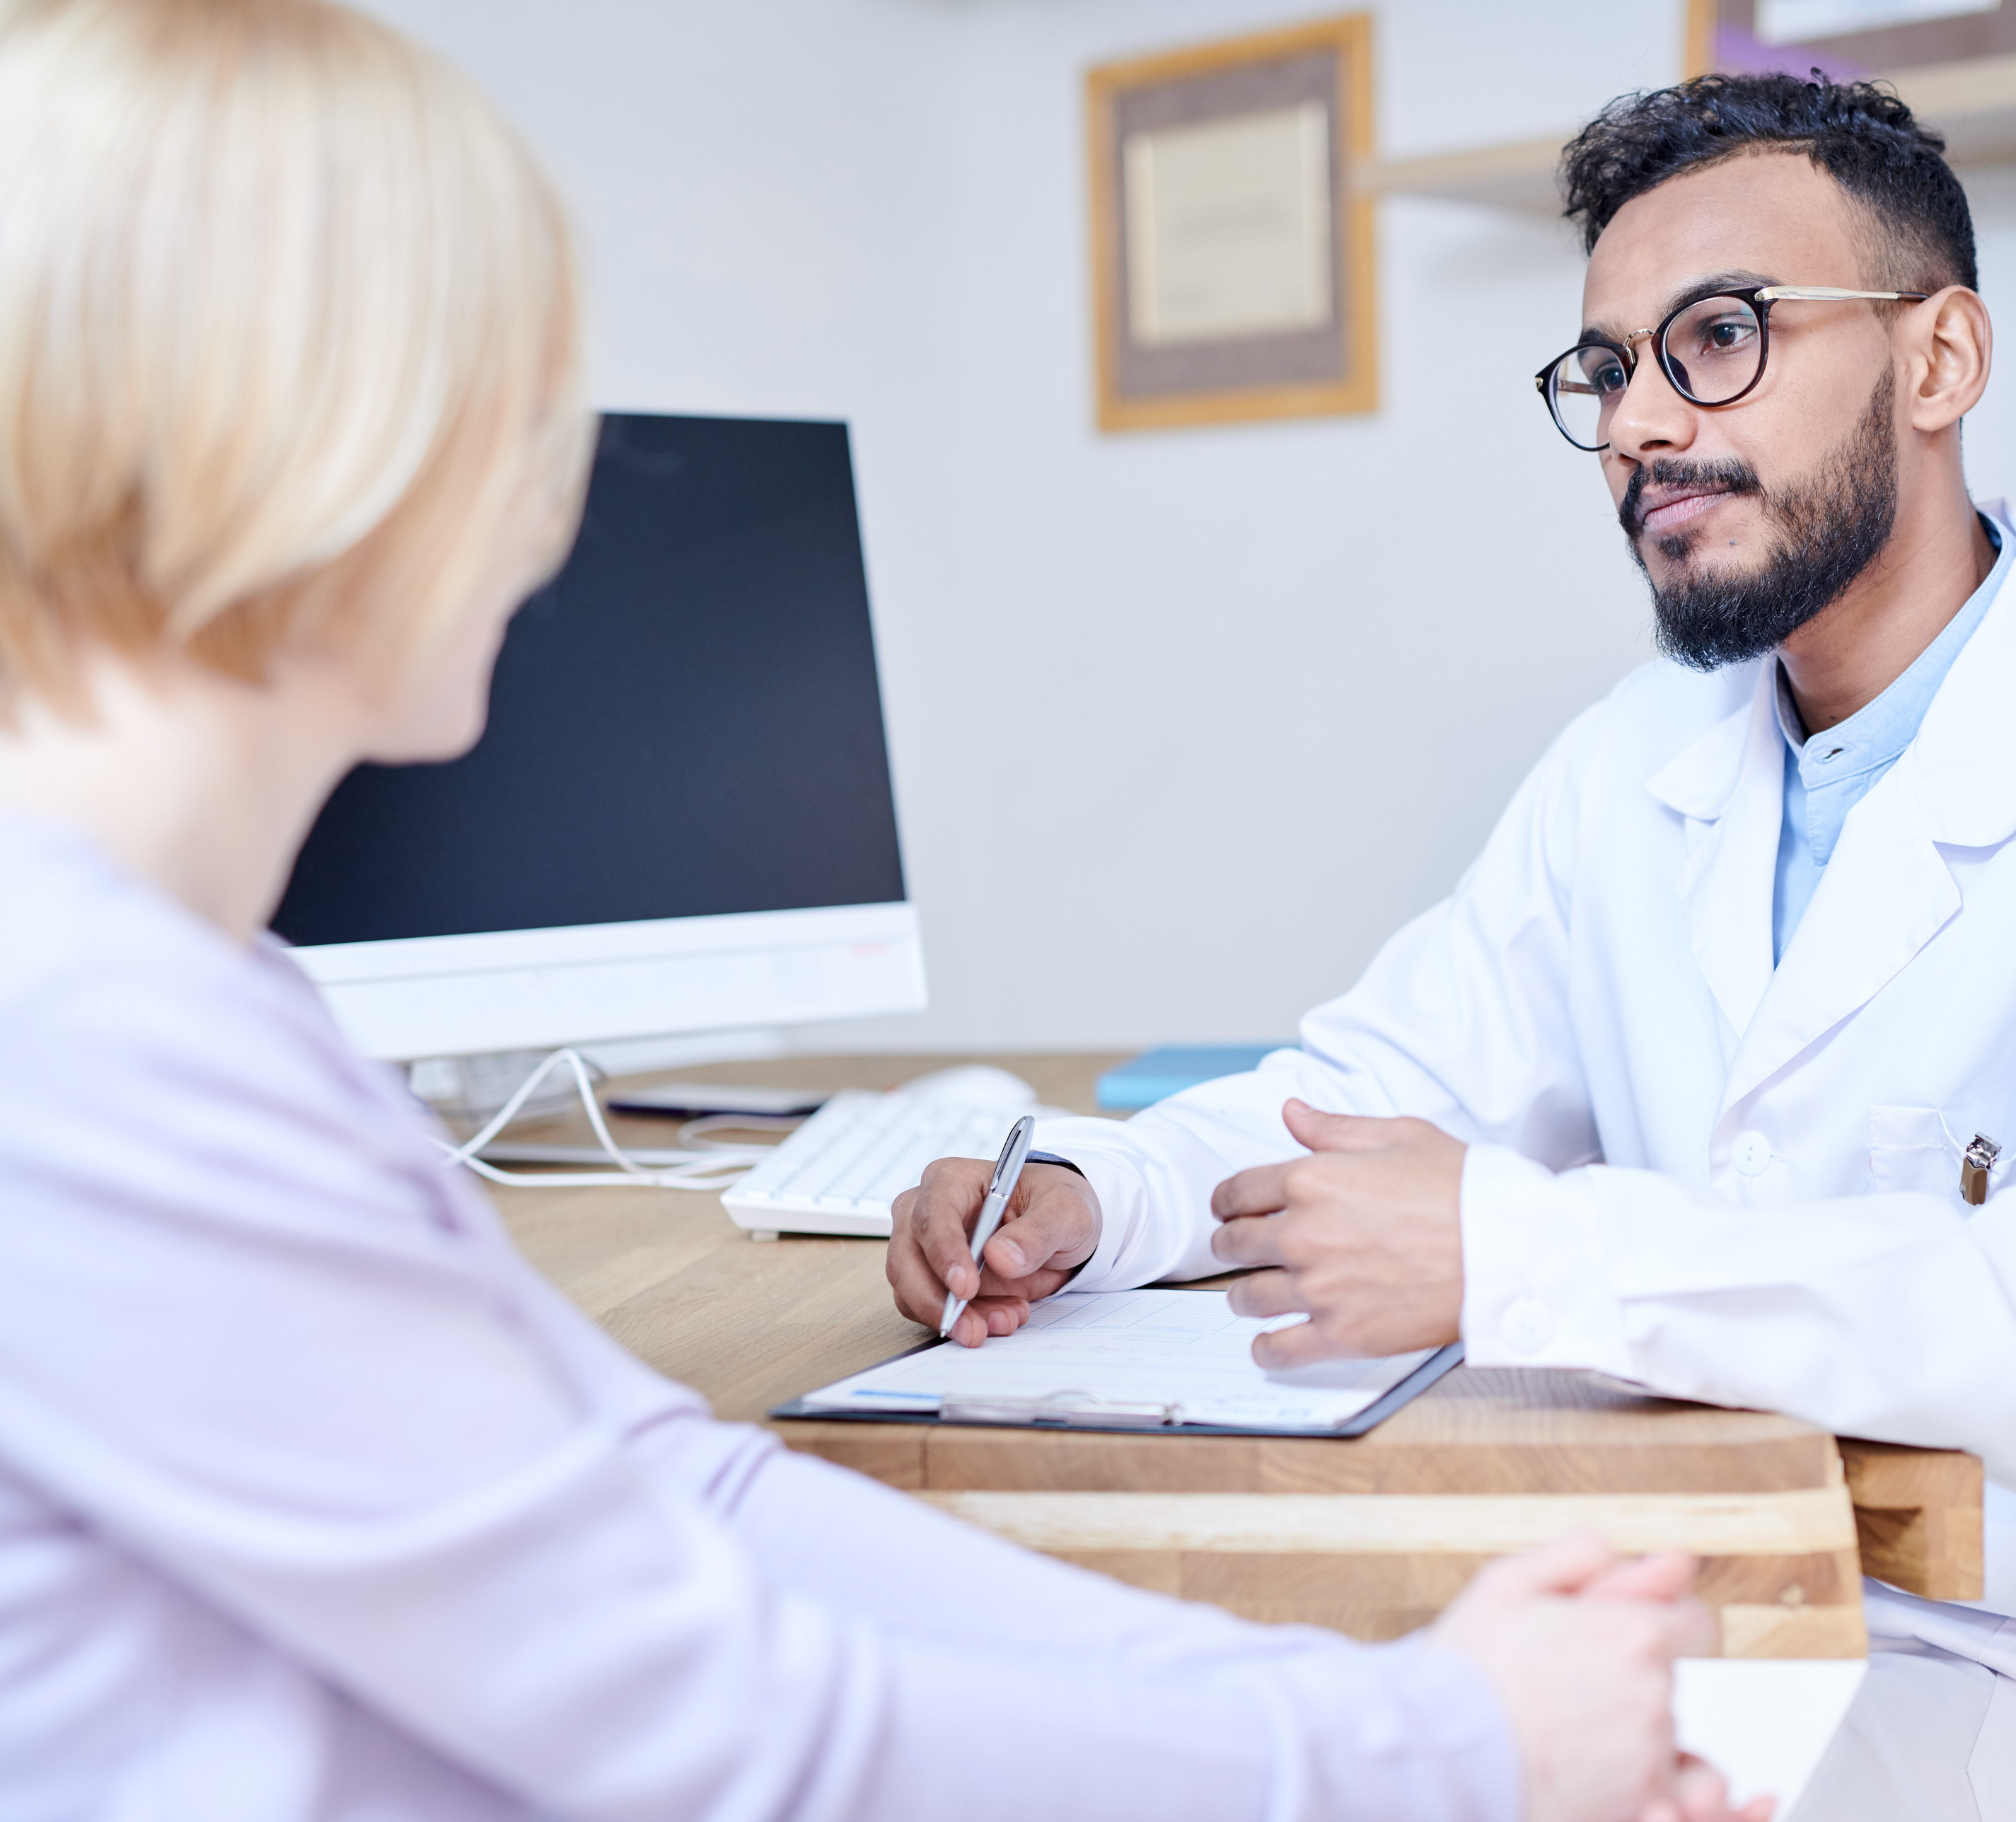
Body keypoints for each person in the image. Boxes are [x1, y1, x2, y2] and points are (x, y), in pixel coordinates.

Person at [0, 4, 1768, 1818]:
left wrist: (1410, 1704)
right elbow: (731, 1729)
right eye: (509, 404)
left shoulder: (189, 997)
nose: (544, 498)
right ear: (306, 443)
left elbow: (689, 1499)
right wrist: (1453, 1747)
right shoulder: (87, 1041)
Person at [893, 73, 2016, 1822]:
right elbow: (1371, 1095)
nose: (1633, 424)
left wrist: (1523, 1252)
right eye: (1609, 367)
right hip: (1723, 1618)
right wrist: (1102, 1202)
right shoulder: (1635, 761)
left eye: (1717, 338)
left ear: (1938, 361)